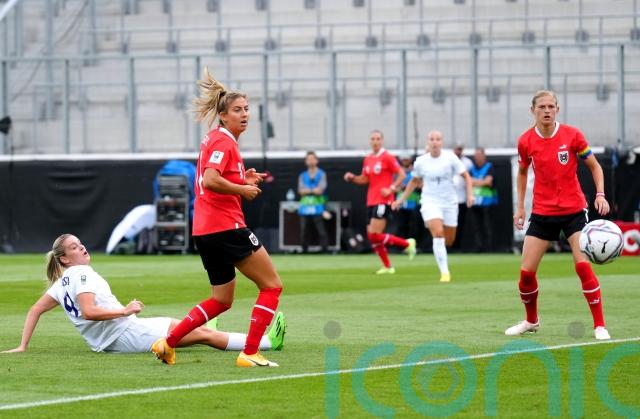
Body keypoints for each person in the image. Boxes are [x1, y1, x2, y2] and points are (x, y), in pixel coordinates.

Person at [151, 68, 284, 367]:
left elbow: (212, 177)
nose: (245, 114)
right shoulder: (224, 141)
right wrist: (242, 188)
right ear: (223, 116)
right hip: (226, 227)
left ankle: (168, 343)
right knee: (272, 286)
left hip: (205, 231)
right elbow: (210, 180)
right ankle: (250, 352)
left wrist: (242, 177)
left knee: (221, 300)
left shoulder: (215, 139)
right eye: (237, 110)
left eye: (246, 109)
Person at [1, 234, 286, 355]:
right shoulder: (81, 275)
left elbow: (35, 309)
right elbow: (89, 312)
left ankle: (208, 327)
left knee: (190, 328)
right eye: (74, 247)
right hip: (124, 334)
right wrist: (124, 310)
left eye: (80, 243)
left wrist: (23, 345)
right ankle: (267, 343)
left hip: (120, 334)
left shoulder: (62, 281)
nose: (82, 247)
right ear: (64, 259)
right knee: (204, 336)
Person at [506, 90, 611, 340]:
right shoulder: (525, 141)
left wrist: (600, 194)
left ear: (557, 109)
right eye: (542, 106)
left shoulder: (572, 135)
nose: (547, 110)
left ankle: (600, 325)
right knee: (526, 274)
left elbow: (595, 166)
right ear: (533, 110)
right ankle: (531, 321)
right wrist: (520, 207)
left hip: (574, 211)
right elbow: (522, 173)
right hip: (543, 212)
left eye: (551, 106)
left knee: (582, 266)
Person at [393, 130, 474, 283]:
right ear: (428, 142)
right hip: (430, 201)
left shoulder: (450, 157)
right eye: (432, 139)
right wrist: (401, 200)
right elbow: (414, 181)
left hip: (449, 203)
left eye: (437, 139)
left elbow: (466, 177)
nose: (435, 142)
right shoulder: (421, 161)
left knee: (449, 240)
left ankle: (441, 251)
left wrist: (470, 195)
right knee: (438, 233)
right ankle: (445, 273)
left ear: (441, 142)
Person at [343, 129, 417, 274]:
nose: (375, 141)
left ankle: (407, 244)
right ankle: (388, 267)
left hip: (383, 201)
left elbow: (402, 175)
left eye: (378, 139)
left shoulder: (387, 157)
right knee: (373, 237)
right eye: (373, 139)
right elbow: (364, 179)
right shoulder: (368, 158)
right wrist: (353, 178)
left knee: (374, 235)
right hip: (371, 200)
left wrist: (391, 189)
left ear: (382, 141)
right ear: (369, 141)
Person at [297, 151, 330, 253]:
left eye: (312, 159)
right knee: (304, 229)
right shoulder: (302, 175)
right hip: (305, 206)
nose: (311, 161)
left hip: (318, 205)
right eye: (308, 159)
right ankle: (304, 249)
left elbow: (321, 190)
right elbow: (300, 191)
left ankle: (324, 249)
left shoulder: (321, 174)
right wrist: (313, 190)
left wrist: (308, 191)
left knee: (321, 229)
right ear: (306, 161)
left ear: (316, 160)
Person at [469, 147, 498, 252]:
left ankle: (490, 247)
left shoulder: (489, 167)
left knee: (487, 225)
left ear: (484, 156)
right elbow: (468, 181)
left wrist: (475, 181)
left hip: (488, 202)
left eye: (479, 155)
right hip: (475, 201)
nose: (477, 158)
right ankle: (479, 247)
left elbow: (488, 182)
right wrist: (482, 181)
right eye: (476, 156)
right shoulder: (472, 169)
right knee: (476, 226)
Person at [393, 154, 423, 246]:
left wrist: (411, 187)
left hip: (413, 204)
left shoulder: (415, 172)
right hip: (401, 204)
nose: (405, 161)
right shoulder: (397, 173)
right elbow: (393, 187)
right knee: (401, 226)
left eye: (407, 159)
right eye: (403, 160)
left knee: (414, 226)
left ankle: (414, 245)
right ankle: (402, 245)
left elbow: (420, 185)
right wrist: (400, 188)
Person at [452, 143, 474, 251]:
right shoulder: (448, 160)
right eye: (457, 149)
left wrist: (470, 195)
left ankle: (457, 246)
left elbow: (469, 178)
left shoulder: (468, 163)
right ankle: (449, 245)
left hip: (462, 198)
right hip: (450, 199)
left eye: (460, 149)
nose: (458, 151)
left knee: (460, 223)